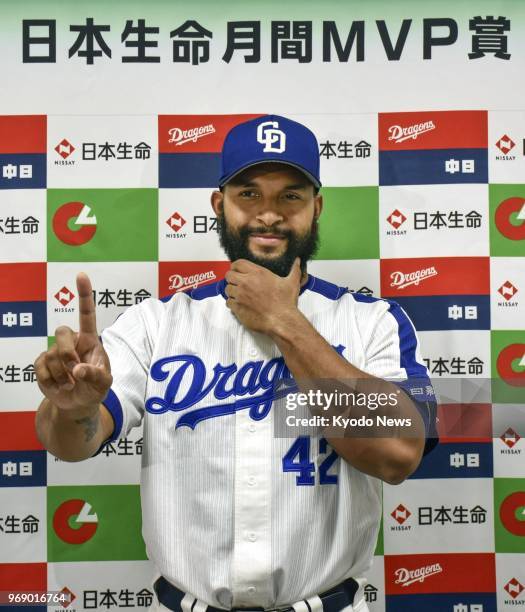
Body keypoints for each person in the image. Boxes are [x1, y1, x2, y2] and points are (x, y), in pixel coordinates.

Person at [35, 115, 438, 612]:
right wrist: (73, 409)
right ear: (218, 205)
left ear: (317, 207)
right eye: (249, 194)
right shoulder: (156, 324)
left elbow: (397, 455)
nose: (268, 214)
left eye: (290, 196)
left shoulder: (373, 321)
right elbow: (73, 444)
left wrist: (286, 323)